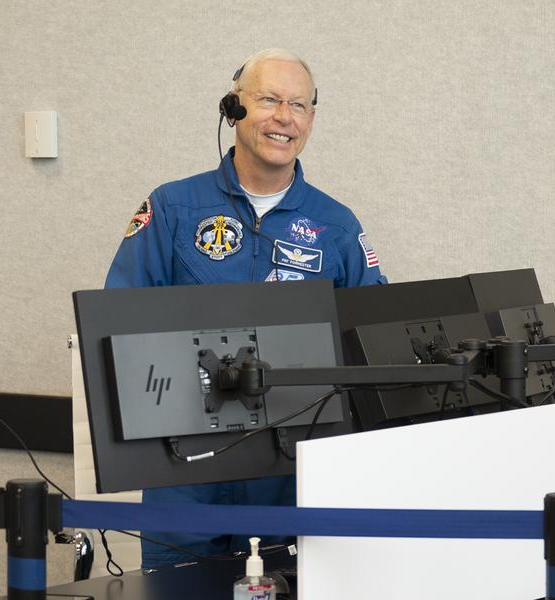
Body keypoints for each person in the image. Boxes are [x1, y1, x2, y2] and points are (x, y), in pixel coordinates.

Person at [104, 48, 387, 568]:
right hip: (184, 469)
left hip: (290, 472)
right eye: (269, 100)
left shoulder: (338, 227)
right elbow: (118, 320)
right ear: (234, 107)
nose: (284, 117)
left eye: (298, 105)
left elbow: (373, 340)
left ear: (312, 119)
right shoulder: (172, 208)